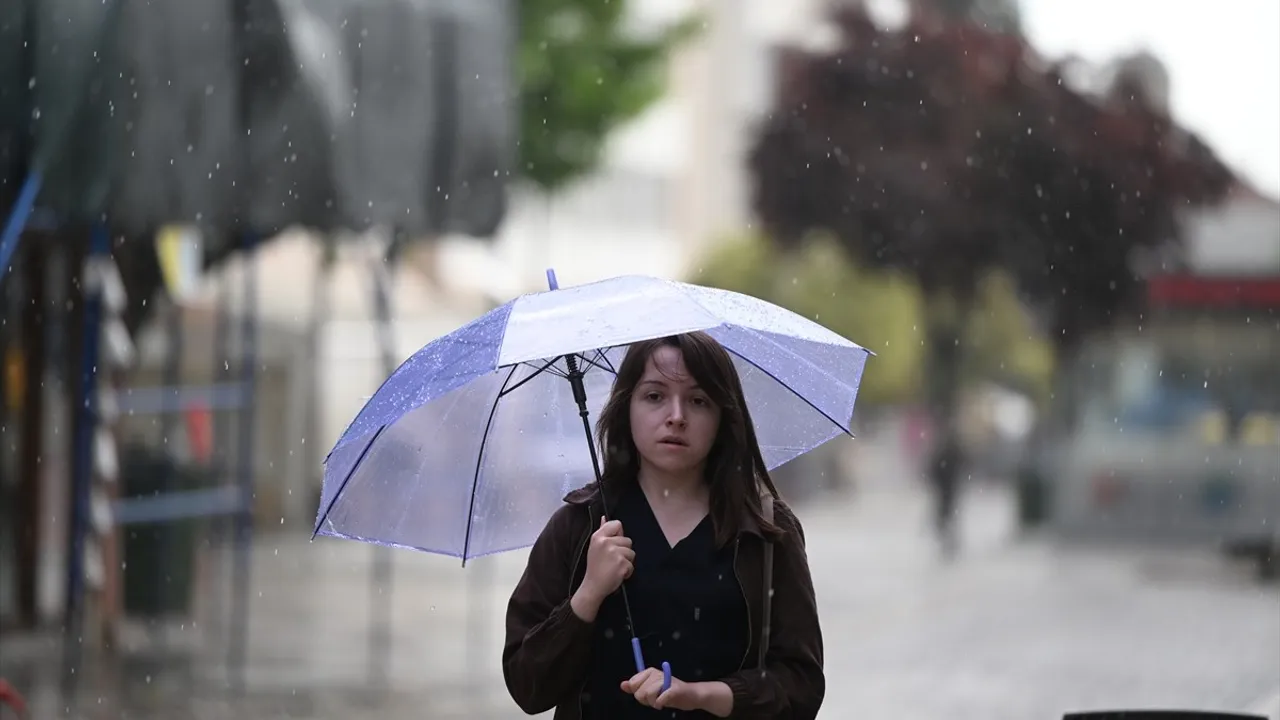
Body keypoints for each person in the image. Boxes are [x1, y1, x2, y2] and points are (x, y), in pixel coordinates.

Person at [502, 331, 824, 719]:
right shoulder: (580, 525)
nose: (676, 416)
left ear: (723, 415)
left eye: (698, 400)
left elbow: (802, 687)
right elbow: (527, 686)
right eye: (654, 396)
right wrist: (587, 595)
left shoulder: (767, 530)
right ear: (627, 407)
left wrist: (703, 695)